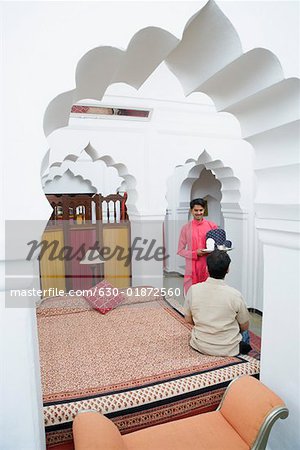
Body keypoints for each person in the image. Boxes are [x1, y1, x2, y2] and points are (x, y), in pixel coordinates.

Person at [184, 250, 252, 356]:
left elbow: (188, 319)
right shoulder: (235, 295)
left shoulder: (193, 290)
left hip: (201, 345)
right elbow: (244, 326)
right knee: (246, 331)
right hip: (229, 348)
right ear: (228, 270)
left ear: (206, 269)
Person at [177, 198, 218, 294]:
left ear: (204, 210)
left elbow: (218, 246)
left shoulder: (212, 226)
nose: (198, 213)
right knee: (191, 294)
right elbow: (180, 250)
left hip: (207, 265)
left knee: (207, 293)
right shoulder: (186, 228)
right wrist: (195, 253)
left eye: (201, 210)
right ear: (191, 210)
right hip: (192, 267)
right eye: (196, 210)